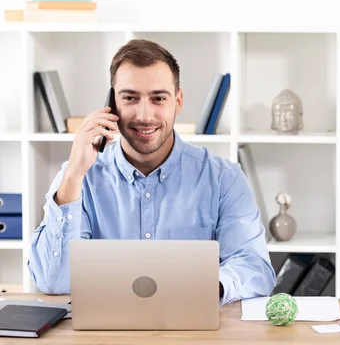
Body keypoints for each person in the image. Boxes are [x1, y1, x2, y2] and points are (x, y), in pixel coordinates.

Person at [27, 39, 276, 304]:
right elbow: (52, 283)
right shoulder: (77, 177)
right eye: (130, 98)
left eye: (158, 98)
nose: (144, 115)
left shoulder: (224, 178)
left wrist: (207, 288)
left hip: (192, 328)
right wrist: (74, 176)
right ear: (112, 103)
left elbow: (255, 267)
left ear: (178, 102)